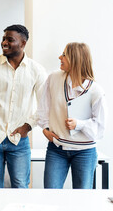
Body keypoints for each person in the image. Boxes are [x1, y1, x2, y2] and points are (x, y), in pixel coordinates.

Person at [0, 24, 46, 188]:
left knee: (21, 186)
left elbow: (44, 105)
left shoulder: (37, 70)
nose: (4, 43)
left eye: (10, 40)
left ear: (23, 43)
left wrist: (28, 126)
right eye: (3, 39)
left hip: (19, 140)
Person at [37, 42, 106, 189]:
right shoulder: (54, 78)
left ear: (75, 59)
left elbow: (100, 128)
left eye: (64, 55)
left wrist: (79, 124)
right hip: (57, 149)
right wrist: (45, 129)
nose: (59, 57)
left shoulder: (96, 91)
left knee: (81, 199)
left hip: (85, 152)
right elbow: (43, 107)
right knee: (50, 195)